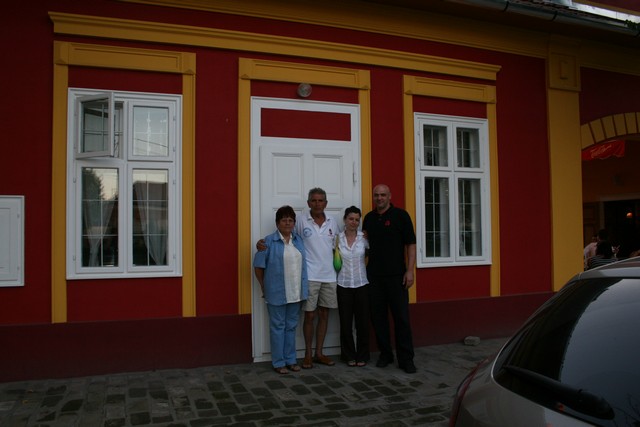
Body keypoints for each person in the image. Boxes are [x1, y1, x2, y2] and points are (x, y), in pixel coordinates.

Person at [257, 188, 339, 369]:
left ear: (326, 203)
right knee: (305, 317)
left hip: (323, 279)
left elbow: (338, 246)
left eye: (321, 200)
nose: (317, 204)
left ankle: (315, 354)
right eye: (314, 200)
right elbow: (260, 262)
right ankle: (303, 356)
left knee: (319, 316)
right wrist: (260, 244)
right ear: (308, 203)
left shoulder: (332, 222)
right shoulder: (299, 222)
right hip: (307, 278)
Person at [362, 184, 417, 374]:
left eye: (383, 195)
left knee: (401, 319)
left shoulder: (401, 216)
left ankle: (406, 359)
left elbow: (411, 245)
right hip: (374, 277)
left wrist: (410, 271)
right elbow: (364, 246)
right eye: (376, 195)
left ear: (390, 196)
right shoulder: (369, 218)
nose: (379, 198)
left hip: (397, 276)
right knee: (378, 319)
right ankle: (385, 354)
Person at [254, 206, 308, 374]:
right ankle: (278, 362)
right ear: (277, 223)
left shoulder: (298, 240)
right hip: (276, 292)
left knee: (291, 327)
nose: (287, 223)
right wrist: (263, 286)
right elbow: (258, 266)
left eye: (290, 220)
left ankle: (291, 360)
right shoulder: (267, 242)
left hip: (296, 292)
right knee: (277, 327)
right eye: (284, 220)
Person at [336, 206, 370, 367]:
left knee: (362, 322)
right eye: (351, 219)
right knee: (345, 322)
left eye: (357, 219)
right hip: (343, 284)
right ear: (345, 219)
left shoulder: (364, 238)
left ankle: (362, 355)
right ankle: (348, 355)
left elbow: (368, 258)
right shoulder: (337, 239)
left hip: (361, 284)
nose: (354, 222)